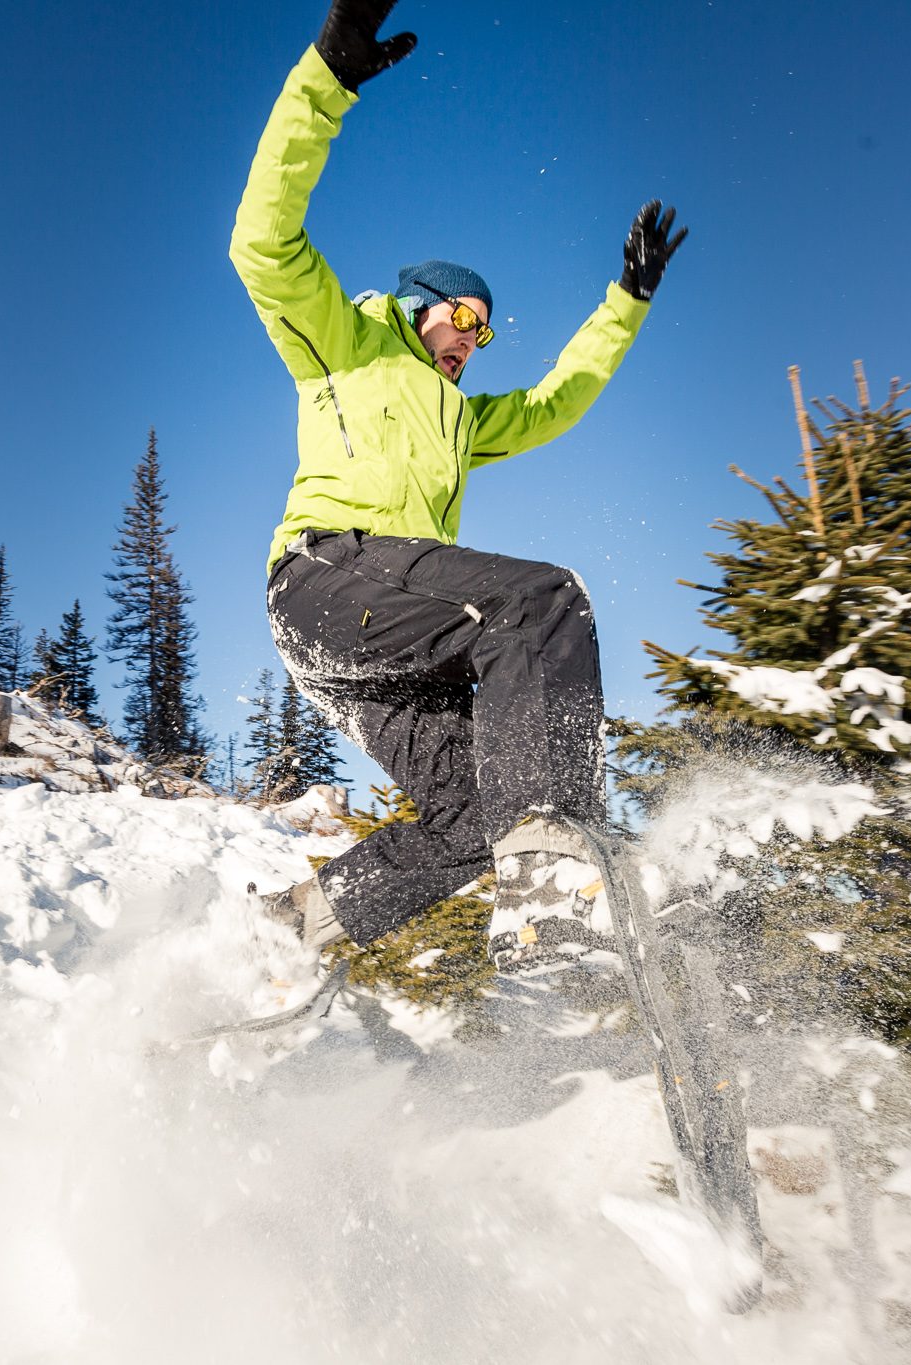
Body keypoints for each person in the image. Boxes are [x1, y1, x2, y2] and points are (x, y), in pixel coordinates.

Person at [230, 0, 687, 972]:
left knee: (475, 813)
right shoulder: (343, 341)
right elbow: (261, 241)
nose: (473, 344)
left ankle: (299, 925)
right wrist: (328, 74)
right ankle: (550, 878)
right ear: (418, 305)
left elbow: (558, 401)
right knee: (539, 602)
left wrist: (625, 303)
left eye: (485, 333)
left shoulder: (466, 422)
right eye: (464, 320)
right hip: (322, 579)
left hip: (375, 647)